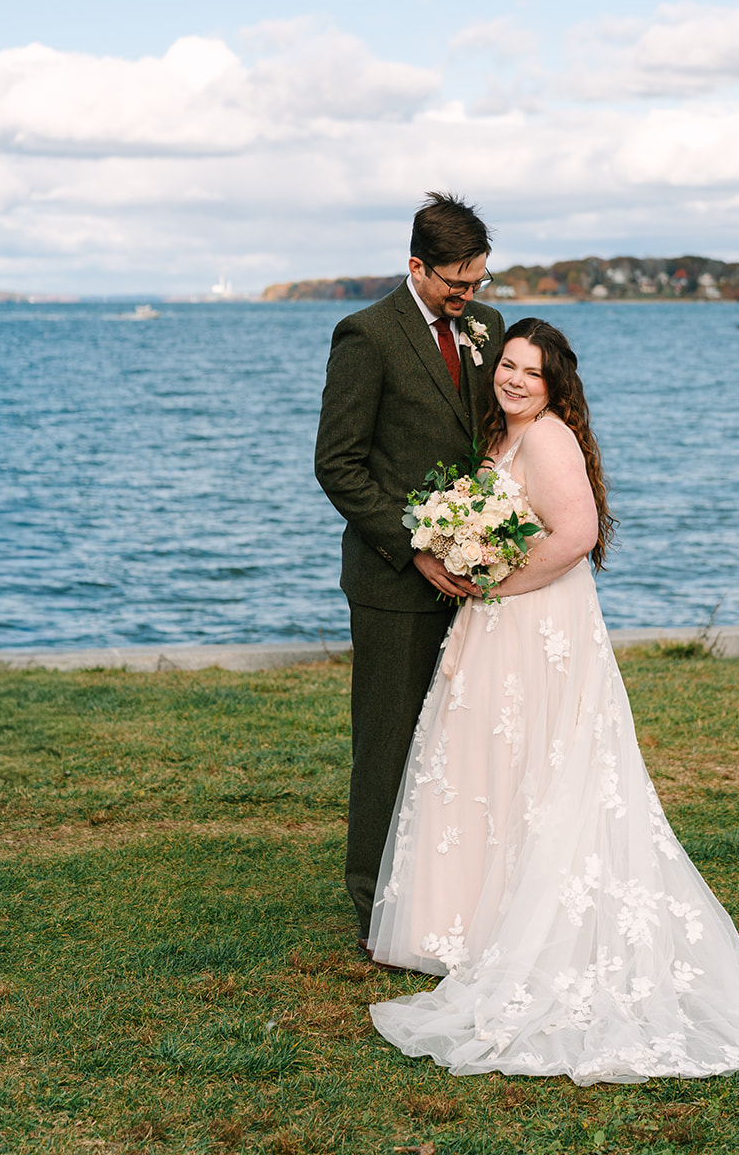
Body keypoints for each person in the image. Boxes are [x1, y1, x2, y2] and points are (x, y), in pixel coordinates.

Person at [368, 320, 739, 1083]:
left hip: (537, 620)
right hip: (503, 618)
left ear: (553, 386)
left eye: (528, 373)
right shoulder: (504, 439)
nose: (510, 380)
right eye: (505, 365)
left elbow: (572, 534)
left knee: (545, 763)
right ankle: (479, 925)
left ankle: (530, 929)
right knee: (497, 761)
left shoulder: (546, 439)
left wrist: (493, 583)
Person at [314, 192, 505, 949]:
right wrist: (419, 546)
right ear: (415, 266)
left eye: (478, 282)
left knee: (467, 739)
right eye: (454, 285)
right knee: (389, 743)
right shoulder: (366, 336)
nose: (468, 299)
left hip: (482, 578)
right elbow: (339, 465)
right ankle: (376, 911)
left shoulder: (489, 330)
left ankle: (455, 893)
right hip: (394, 582)